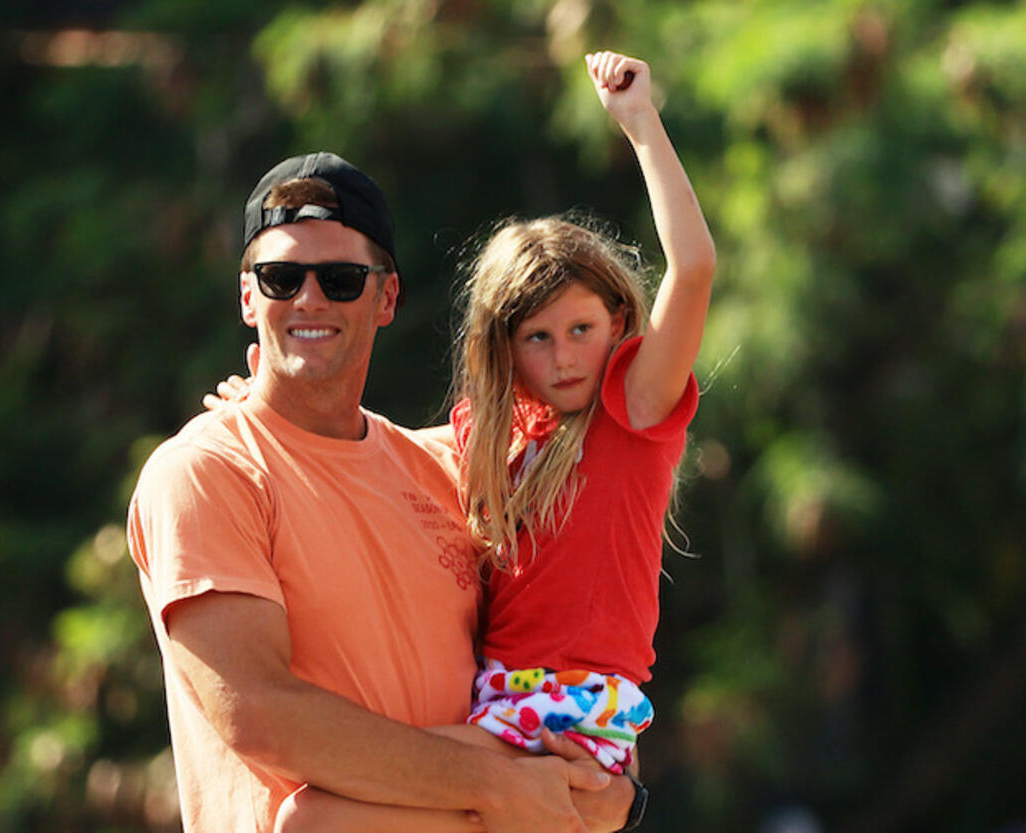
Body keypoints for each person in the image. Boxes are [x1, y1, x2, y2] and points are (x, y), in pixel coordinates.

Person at [216, 50, 716, 833]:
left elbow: (693, 269)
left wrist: (641, 124)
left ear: (618, 322)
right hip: (500, 703)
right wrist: (263, 406)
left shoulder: (631, 415)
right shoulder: (494, 444)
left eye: (582, 330)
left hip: (570, 713)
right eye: (538, 339)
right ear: (505, 350)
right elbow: (371, 448)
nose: (564, 357)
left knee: (310, 822)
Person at [128, 144, 638, 831]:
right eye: (281, 277)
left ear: (387, 295)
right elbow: (258, 711)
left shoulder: (454, 470)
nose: (309, 297)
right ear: (249, 297)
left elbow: (567, 624)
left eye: (340, 277)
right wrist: (499, 786)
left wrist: (619, 787)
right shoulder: (208, 472)